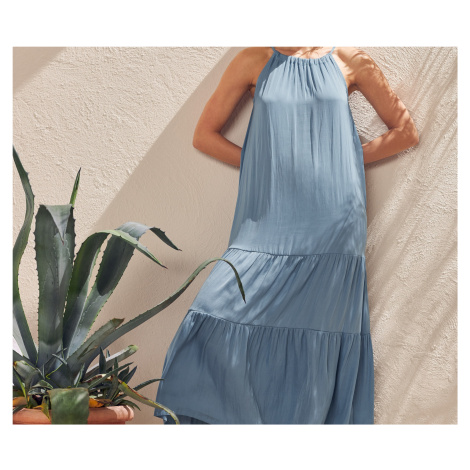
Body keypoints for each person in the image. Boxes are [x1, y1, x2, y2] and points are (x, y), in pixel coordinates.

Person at [154, 46, 419, 425]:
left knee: (318, 330)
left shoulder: (350, 60)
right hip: (267, 215)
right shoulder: (254, 59)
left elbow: (406, 132)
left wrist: (339, 158)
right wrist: (267, 163)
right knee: (217, 307)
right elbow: (204, 136)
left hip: (333, 218)